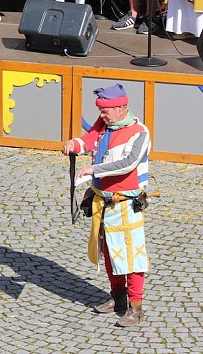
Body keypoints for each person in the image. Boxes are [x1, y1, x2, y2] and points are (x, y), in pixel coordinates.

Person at [61, 84, 150, 327]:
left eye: (105, 111)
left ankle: (136, 307)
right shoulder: (104, 125)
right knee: (110, 253)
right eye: (100, 111)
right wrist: (74, 144)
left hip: (126, 203)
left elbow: (127, 163)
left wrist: (94, 169)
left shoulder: (139, 132)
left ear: (121, 108)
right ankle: (118, 298)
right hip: (103, 200)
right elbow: (89, 140)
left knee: (131, 257)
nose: (101, 116)